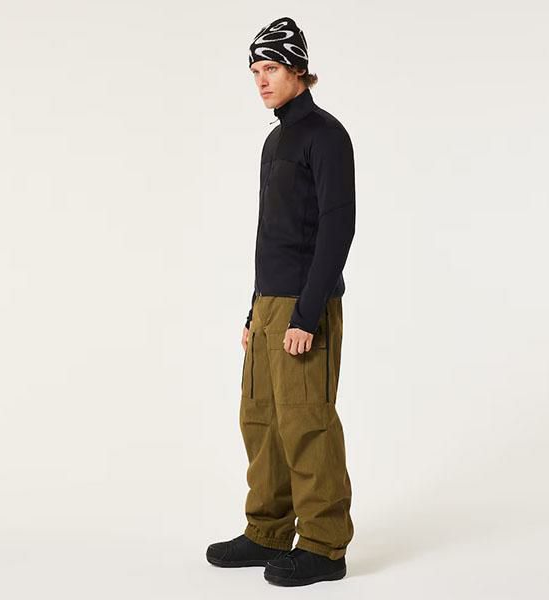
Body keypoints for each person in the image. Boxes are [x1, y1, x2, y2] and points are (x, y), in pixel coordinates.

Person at [206, 16, 356, 587]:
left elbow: (337, 229)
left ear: (297, 68)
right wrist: (255, 311)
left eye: (270, 67)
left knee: (306, 422)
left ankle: (324, 546)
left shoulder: (326, 135)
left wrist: (306, 314)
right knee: (261, 420)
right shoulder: (275, 141)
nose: (261, 80)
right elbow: (274, 233)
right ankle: (267, 530)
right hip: (269, 306)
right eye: (254, 71)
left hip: (303, 305)